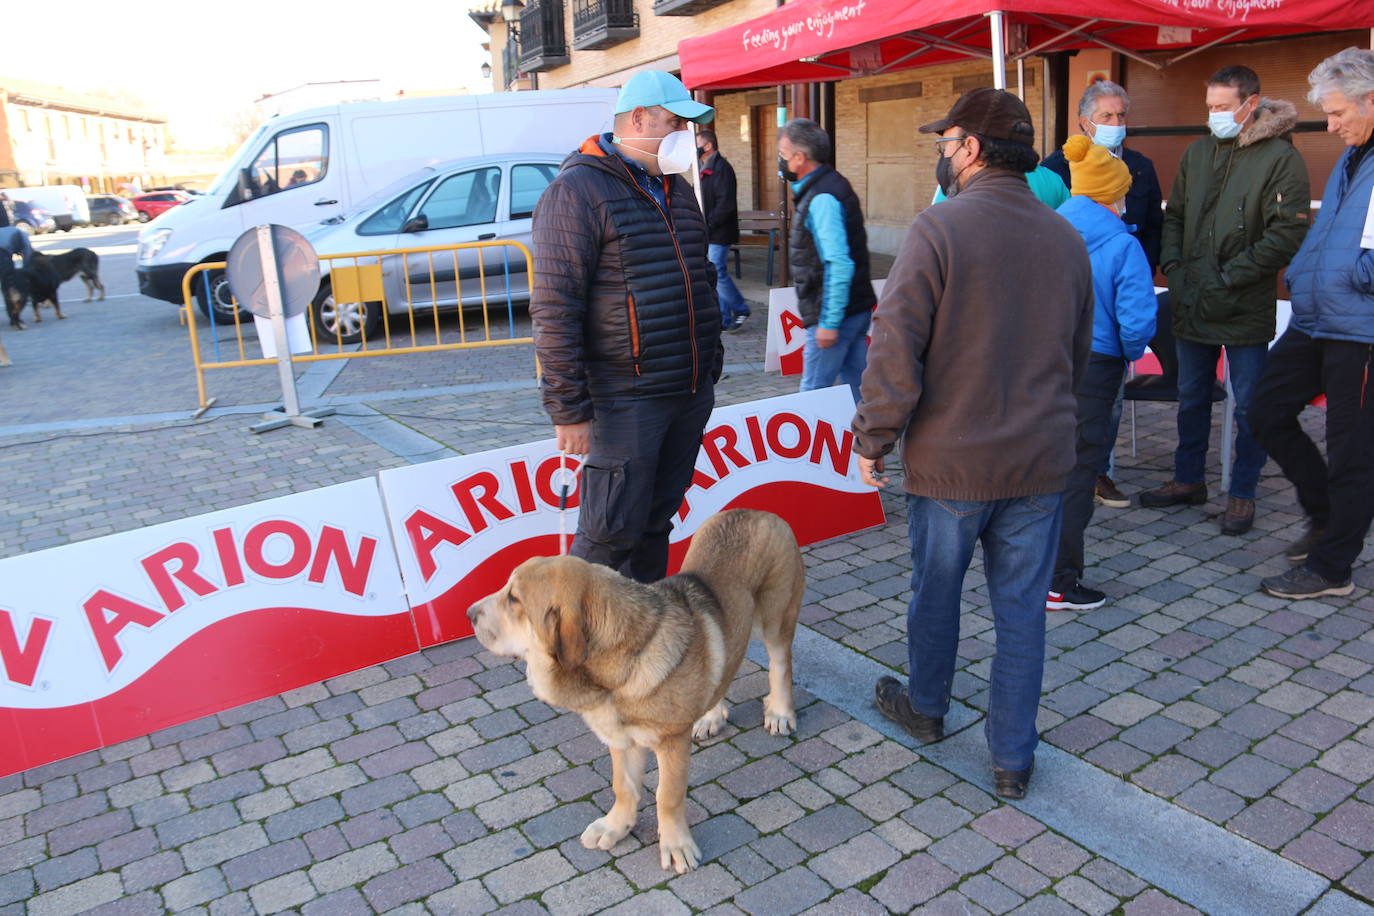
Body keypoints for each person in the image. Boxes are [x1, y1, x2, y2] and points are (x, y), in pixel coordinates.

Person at [853, 88, 1094, 799]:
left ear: (973, 148)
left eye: (946, 141)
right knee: (1021, 612)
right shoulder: (1065, 235)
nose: (940, 152)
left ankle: (927, 708)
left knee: (937, 593)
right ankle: (1012, 759)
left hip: (954, 465)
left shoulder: (940, 228)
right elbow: (1076, 356)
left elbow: (895, 347)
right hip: (1039, 460)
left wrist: (874, 437)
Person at [529, 70, 723, 584]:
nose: (686, 133)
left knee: (656, 522)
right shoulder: (577, 191)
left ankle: (640, 633)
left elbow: (698, 274)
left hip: (686, 390)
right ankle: (576, 654)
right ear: (637, 118)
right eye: (675, 122)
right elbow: (555, 306)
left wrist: (710, 362)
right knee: (608, 534)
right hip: (626, 398)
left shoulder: (677, 189)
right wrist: (568, 408)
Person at [1142, 66, 1310, 536]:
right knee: (1192, 396)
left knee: (1250, 404)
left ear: (1250, 103)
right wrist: (1173, 267)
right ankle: (1188, 480)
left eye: (1222, 106)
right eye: (1210, 106)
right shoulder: (1198, 151)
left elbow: (1288, 231)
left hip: (1243, 304)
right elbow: (1173, 215)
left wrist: (1231, 276)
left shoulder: (1281, 157)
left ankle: (1242, 492)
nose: (1214, 114)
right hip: (1192, 298)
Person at [1251, 48, 1374, 600]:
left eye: (1339, 111)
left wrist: (1348, 273)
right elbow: (1332, 231)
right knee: (1264, 409)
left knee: (1353, 452)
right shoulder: (1355, 156)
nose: (1331, 124)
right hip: (1318, 318)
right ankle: (1324, 514)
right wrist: (1303, 274)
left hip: (1363, 330)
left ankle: (1331, 568)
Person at [1042, 79, 1165, 510]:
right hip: (1088, 326)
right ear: (1084, 121)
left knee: (1101, 408)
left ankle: (1094, 473)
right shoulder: (1056, 168)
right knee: (1080, 409)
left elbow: (1152, 227)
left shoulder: (1141, 167)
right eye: (1107, 116)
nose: (1116, 124)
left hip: (1117, 292)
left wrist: (1135, 273)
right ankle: (1076, 475)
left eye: (1121, 116)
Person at [1048, 136, 1157, 611]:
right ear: (1114, 194)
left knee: (1044, 466)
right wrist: (1126, 353)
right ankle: (1059, 581)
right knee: (1079, 472)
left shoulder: (1045, 231)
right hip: (1097, 367)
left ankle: (1024, 565)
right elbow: (1137, 321)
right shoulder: (1122, 244)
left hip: (1043, 361)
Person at [778, 118, 875, 403]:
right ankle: (870, 445)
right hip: (854, 310)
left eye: (783, 155)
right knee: (859, 389)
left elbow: (839, 263)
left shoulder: (822, 198)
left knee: (812, 397)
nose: (781, 162)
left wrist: (829, 322)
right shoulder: (830, 185)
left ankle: (824, 448)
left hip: (837, 315)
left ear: (800, 158)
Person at [697, 129, 749, 332]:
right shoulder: (704, 168)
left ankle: (740, 308)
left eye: (698, 143)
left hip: (719, 231)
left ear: (708, 146)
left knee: (717, 271)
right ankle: (724, 318)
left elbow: (725, 203)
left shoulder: (721, 168)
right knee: (715, 272)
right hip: (710, 230)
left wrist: (708, 224)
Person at [0, 225, 36, 328]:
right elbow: (28, 255)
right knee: (8, 286)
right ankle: (15, 320)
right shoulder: (23, 236)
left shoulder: (11, 231)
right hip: (2, 253)